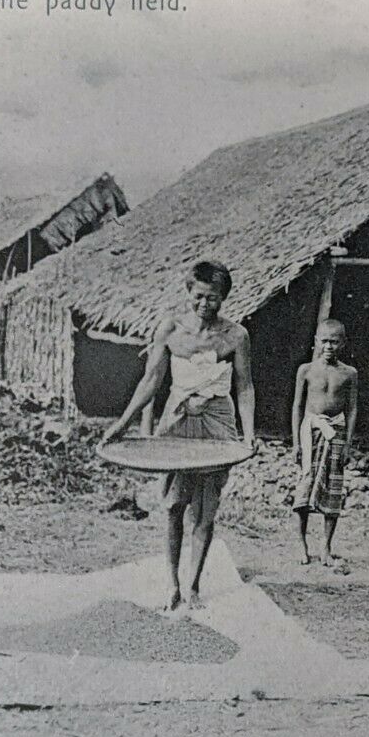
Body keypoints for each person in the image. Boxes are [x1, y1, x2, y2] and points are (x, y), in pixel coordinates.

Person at [100, 260, 255, 614]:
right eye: (199, 296)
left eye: (213, 298)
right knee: (173, 506)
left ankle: (194, 585)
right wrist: (122, 424)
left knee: (205, 509)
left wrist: (246, 433)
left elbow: (245, 386)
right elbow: (151, 381)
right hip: (177, 419)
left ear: (223, 298)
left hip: (217, 421)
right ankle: (171, 584)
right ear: (188, 292)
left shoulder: (236, 335)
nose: (205, 305)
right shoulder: (170, 328)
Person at [291, 318, 359, 570]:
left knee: (333, 491)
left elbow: (352, 409)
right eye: (324, 341)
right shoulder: (306, 370)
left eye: (334, 341)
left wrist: (348, 445)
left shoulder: (349, 373)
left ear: (343, 343)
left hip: (336, 434)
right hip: (311, 432)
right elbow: (297, 407)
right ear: (316, 342)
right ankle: (301, 543)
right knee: (304, 489)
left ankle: (326, 547)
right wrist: (296, 443)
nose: (329, 346)